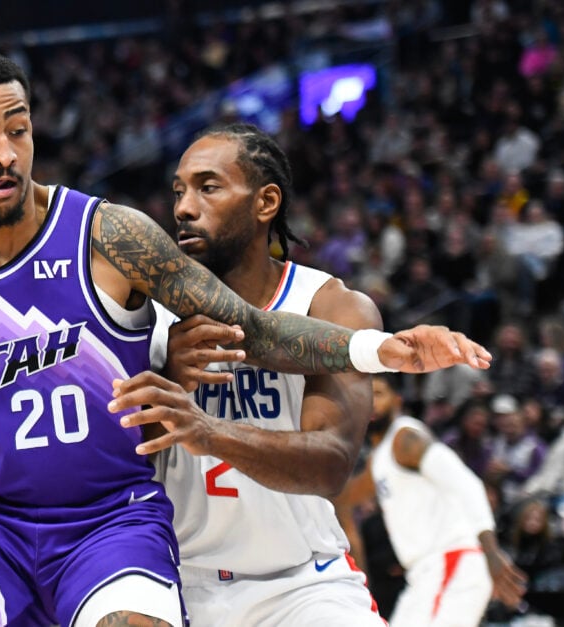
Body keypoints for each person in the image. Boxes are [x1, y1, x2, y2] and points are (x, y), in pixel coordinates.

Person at [0, 50, 492, 627]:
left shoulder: (109, 234)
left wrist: (374, 348)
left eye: (18, 128)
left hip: (112, 521)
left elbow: (253, 325)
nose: (5, 152)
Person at [109, 122, 388, 625]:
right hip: (178, 582)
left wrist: (210, 432)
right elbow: (111, 463)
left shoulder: (330, 306)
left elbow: (330, 465)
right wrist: (169, 377)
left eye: (208, 187)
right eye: (178, 190)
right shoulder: (145, 315)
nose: (183, 208)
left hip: (304, 584)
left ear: (266, 202)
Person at [336, 374, 527, 627]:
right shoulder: (379, 459)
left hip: (453, 559)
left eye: (378, 394)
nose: (370, 403)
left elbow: (466, 482)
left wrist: (491, 553)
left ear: (398, 400)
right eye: (363, 397)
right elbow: (343, 500)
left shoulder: (405, 439)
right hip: (423, 575)